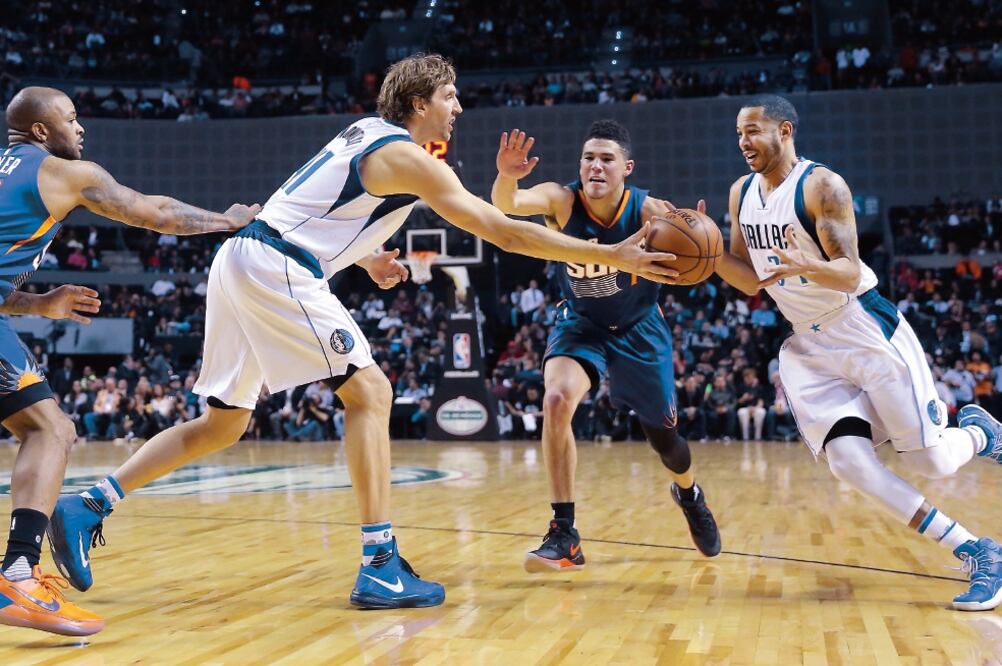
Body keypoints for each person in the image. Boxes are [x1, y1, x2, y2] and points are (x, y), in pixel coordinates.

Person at [48, 55, 676, 611]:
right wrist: (613, 256)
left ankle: (89, 503)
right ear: (419, 102)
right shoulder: (404, 154)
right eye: (450, 95)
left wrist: (366, 253)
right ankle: (380, 565)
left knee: (223, 424)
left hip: (244, 258)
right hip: (275, 266)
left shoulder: (366, 137)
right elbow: (502, 229)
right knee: (370, 394)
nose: (458, 107)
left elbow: (319, 208)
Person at [712, 94, 1002, 611]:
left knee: (934, 461)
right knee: (848, 462)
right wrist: (708, 255)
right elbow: (751, 280)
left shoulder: (823, 187)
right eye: (738, 133)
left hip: (863, 326)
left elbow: (848, 271)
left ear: (784, 131)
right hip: (809, 342)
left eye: (752, 131)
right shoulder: (741, 193)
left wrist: (803, 266)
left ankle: (980, 431)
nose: (743, 142)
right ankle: (977, 550)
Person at [0, 86, 257, 636]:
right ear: (41, 132)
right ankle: (19, 573)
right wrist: (226, 221)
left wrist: (39, 304)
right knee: (50, 430)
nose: (81, 127)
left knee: (45, 427)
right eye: (71, 118)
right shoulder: (61, 172)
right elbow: (152, 211)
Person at [491, 119, 720, 573]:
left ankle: (690, 494)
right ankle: (564, 534)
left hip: (639, 327)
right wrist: (507, 176)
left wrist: (700, 239)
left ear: (626, 168)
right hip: (582, 324)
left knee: (667, 442)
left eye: (606, 159)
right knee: (556, 399)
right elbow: (509, 205)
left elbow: (694, 251)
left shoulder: (651, 211)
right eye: (588, 157)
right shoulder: (561, 198)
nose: (595, 165)